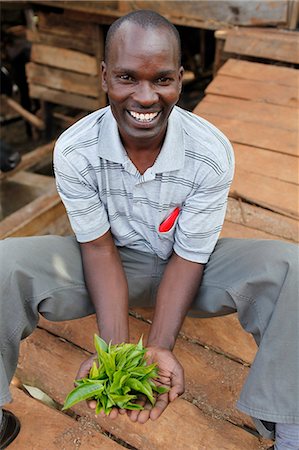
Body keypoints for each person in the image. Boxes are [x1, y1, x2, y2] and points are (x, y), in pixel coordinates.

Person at [0, 10, 298, 449]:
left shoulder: (209, 152)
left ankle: (287, 424)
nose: (144, 97)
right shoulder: (75, 150)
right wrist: (116, 355)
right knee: (4, 261)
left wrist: (158, 346)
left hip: (190, 270)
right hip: (102, 263)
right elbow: (99, 249)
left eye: (161, 80)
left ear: (180, 79)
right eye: (126, 78)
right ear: (104, 77)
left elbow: (191, 255)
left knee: (292, 267)